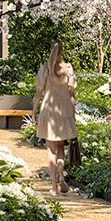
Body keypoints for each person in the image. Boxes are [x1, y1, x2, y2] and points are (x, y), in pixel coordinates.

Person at [34, 42, 77, 196]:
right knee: (60, 147)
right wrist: (73, 112)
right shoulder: (68, 69)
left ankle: (53, 186)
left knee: (50, 149)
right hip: (64, 111)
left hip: (49, 111)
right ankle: (61, 176)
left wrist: (34, 112)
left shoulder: (45, 69)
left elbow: (38, 92)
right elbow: (72, 92)